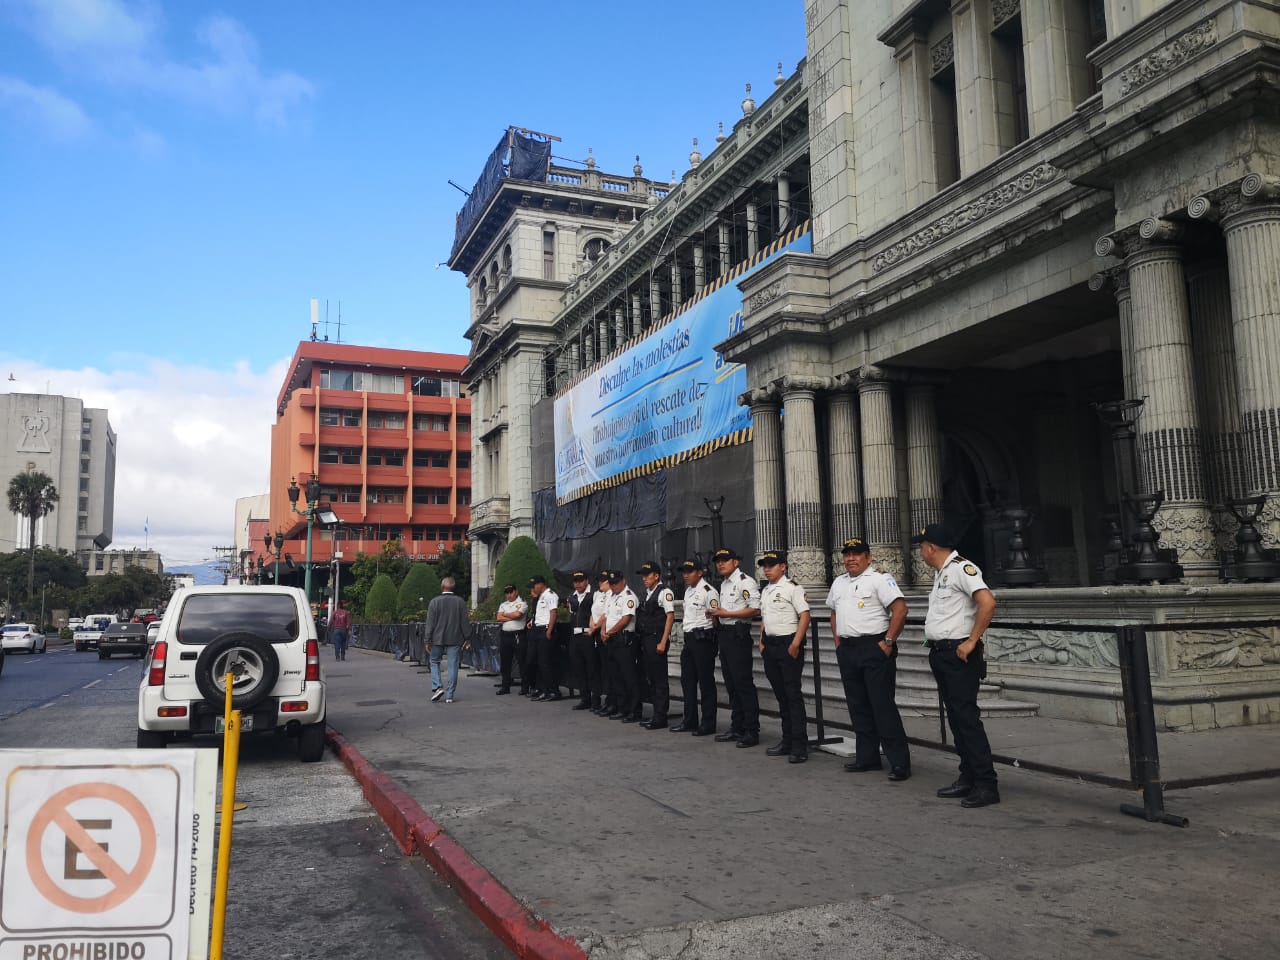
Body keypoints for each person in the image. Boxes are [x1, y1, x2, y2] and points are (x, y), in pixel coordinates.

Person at [915, 522, 1000, 808]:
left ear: (931, 548)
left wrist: (972, 640)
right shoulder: (943, 573)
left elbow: (987, 602)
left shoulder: (963, 569)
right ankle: (968, 777)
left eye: (922, 546)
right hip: (942, 654)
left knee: (966, 720)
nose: (920, 551)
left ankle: (987, 784)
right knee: (956, 719)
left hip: (958, 654)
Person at [827, 537, 911, 780]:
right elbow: (834, 612)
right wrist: (838, 641)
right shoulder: (839, 583)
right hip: (849, 649)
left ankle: (899, 763)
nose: (851, 558)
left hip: (874, 647)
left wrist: (888, 642)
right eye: (847, 554)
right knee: (858, 706)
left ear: (868, 557)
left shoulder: (879, 579)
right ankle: (867, 757)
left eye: (857, 554)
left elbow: (900, 609)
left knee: (882, 706)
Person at [757, 551, 811, 764]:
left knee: (792, 695)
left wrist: (796, 643)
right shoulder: (766, 590)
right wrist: (762, 642)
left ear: (783, 567)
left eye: (771, 565)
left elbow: (805, 615)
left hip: (788, 643)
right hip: (771, 645)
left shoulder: (793, 588)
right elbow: (764, 617)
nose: (767, 569)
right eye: (765, 565)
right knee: (781, 695)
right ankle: (787, 740)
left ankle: (799, 745)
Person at [709, 547, 761, 748]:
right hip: (726, 636)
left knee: (743, 683)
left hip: (738, 636)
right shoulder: (724, 584)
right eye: (718, 560)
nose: (720, 563)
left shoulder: (744, 582)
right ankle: (737, 726)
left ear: (736, 562)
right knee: (731, 684)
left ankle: (751, 730)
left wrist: (726, 614)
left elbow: (754, 609)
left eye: (725, 560)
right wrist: (717, 615)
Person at [671, 559, 719, 735]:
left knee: (706, 682)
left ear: (700, 572)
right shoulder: (688, 591)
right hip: (690, 639)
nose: (685, 575)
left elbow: (715, 618)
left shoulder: (709, 592)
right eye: (684, 571)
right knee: (688, 681)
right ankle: (689, 719)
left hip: (703, 638)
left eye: (689, 571)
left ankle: (708, 723)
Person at [634, 561, 676, 730]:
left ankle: (661, 716)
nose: (644, 578)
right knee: (651, 677)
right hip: (646, 639)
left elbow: (670, 616)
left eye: (647, 575)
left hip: (657, 639)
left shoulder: (664, 592)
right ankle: (655, 714)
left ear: (656, 576)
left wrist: (663, 641)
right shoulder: (648, 593)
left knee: (659, 679)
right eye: (643, 575)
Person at [424, 577, 472, 703]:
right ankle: (450, 695)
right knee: (453, 665)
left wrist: (427, 640)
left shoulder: (434, 602)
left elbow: (430, 623)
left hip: (437, 638)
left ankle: (438, 686)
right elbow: (464, 622)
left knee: (434, 661)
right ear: (453, 588)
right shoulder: (460, 602)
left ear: (442, 587)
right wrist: (467, 637)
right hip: (455, 638)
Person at [601, 569, 640, 722]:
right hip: (611, 640)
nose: (614, 586)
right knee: (616, 676)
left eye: (616, 583)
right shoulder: (611, 595)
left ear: (623, 581)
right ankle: (622, 708)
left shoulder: (629, 597)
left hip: (624, 640)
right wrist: (603, 631)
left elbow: (625, 619)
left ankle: (634, 711)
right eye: (611, 583)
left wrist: (609, 632)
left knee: (629, 677)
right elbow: (606, 616)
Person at [567, 571, 599, 711]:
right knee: (579, 668)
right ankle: (584, 698)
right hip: (575, 635)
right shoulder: (572, 596)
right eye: (575, 581)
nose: (577, 584)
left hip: (589, 634)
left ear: (586, 581)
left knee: (592, 669)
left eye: (580, 581)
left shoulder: (594, 594)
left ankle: (596, 700)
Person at [529, 575, 561, 701]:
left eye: (534, 585)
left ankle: (553, 691)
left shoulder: (550, 595)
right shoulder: (541, 596)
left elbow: (553, 613)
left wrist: (549, 631)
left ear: (541, 584)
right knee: (538, 662)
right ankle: (543, 689)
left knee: (545, 662)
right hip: (538, 629)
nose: (533, 588)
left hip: (545, 630)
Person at [589, 571, 615, 716]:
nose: (600, 583)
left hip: (605, 633)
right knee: (598, 668)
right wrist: (592, 626)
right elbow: (593, 612)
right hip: (596, 633)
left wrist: (597, 627)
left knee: (609, 670)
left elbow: (606, 615)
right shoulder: (597, 594)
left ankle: (611, 701)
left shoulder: (613, 594)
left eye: (603, 581)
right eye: (599, 581)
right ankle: (601, 700)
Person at [494, 583, 528, 696]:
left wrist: (505, 615)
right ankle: (505, 686)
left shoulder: (522, 603)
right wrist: (510, 615)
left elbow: (518, 615)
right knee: (505, 662)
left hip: (518, 635)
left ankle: (525, 687)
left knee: (521, 661)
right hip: (505, 635)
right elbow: (498, 618)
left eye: (511, 592)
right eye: (507, 593)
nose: (509, 595)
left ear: (516, 591)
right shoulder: (503, 604)